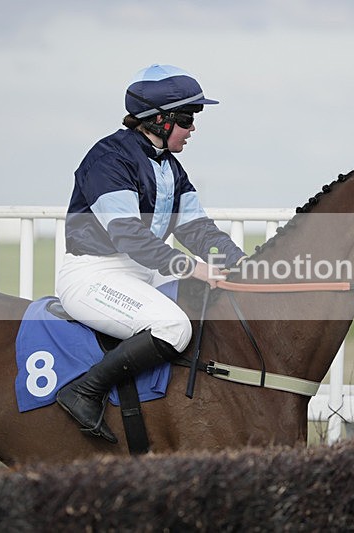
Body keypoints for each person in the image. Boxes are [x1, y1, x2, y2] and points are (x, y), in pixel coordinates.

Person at [55, 64, 246, 443]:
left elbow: (197, 229)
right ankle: (84, 391)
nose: (193, 129)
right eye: (187, 119)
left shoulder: (171, 168)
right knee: (174, 328)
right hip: (94, 275)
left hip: (141, 271)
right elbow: (129, 236)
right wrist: (191, 266)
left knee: (207, 301)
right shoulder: (108, 159)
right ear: (159, 119)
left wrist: (240, 262)